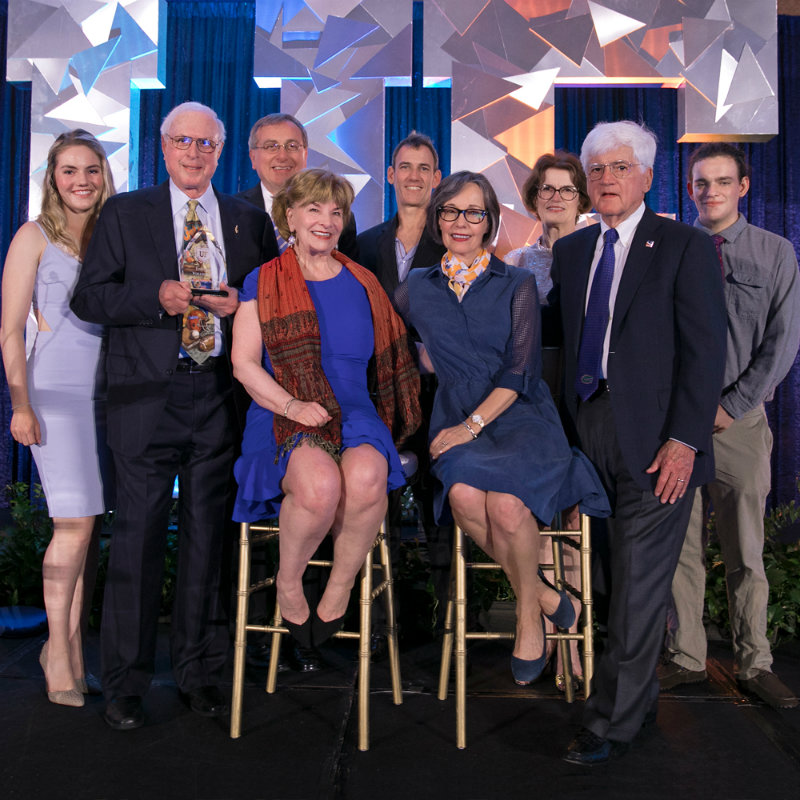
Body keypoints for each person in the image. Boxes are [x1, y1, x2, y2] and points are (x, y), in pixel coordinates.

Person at [70, 101, 273, 730]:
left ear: (220, 153)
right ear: (163, 147)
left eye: (205, 144)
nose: (193, 153)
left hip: (217, 397)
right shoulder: (126, 212)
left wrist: (245, 302)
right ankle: (125, 685)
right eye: (182, 142)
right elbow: (90, 296)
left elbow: (269, 298)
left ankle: (200, 673)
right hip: (143, 400)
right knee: (135, 542)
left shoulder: (246, 218)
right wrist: (153, 298)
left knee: (207, 544)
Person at [550, 121, 728, 765]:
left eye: (620, 168)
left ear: (647, 177)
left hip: (657, 443)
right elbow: (559, 347)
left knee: (636, 587)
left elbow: (708, 351)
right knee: (603, 580)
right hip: (588, 433)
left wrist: (685, 439)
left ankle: (611, 724)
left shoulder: (682, 245)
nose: (606, 179)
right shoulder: (571, 252)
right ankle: (635, 697)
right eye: (596, 169)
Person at [394, 171, 610, 688]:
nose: (461, 222)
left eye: (474, 212)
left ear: (490, 222)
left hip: (518, 416)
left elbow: (518, 371)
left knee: (508, 505)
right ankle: (547, 597)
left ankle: (529, 620)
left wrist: (470, 426)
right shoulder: (412, 290)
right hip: (455, 416)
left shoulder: (518, 282)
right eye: (451, 211)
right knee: (466, 498)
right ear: (437, 219)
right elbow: (402, 352)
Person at [231, 168, 420, 652]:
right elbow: (244, 365)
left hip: (355, 409)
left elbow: (396, 353)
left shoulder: (364, 281)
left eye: (336, 212)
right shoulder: (263, 279)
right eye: (314, 209)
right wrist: (292, 403)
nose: (326, 220)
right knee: (319, 487)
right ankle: (289, 583)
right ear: (289, 215)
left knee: (366, 478)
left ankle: (340, 586)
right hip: (282, 407)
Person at [660, 143, 800, 708]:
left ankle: (754, 662)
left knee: (746, 550)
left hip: (738, 423)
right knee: (681, 548)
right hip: (677, 423)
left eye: (721, 181)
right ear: (688, 188)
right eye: (700, 183)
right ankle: (688, 658)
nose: (710, 191)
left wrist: (732, 404)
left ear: (743, 186)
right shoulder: (670, 249)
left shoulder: (775, 252)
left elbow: (782, 343)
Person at [0, 130, 115, 707]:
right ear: (52, 177)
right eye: (69, 171)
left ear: (104, 174)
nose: (81, 181)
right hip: (56, 396)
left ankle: (65, 648)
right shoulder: (33, 236)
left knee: (88, 528)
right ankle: (59, 657)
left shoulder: (110, 235)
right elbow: (10, 330)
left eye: (91, 170)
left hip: (109, 396)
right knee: (72, 527)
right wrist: (20, 404)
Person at [357, 132, 450, 639]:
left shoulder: (457, 239)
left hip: (440, 398)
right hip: (377, 398)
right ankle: (379, 622)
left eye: (424, 168)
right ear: (390, 175)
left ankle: (448, 622)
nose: (413, 175)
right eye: (404, 166)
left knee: (441, 509)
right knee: (376, 508)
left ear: (437, 179)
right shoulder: (364, 242)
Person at [239, 113, 358, 259]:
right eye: (271, 146)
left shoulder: (336, 215)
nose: (282, 156)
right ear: (253, 158)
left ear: (305, 154)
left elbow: (350, 274)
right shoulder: (231, 212)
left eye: (292, 146)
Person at [504, 151, 592, 346]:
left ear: (580, 201)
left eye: (567, 190)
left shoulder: (595, 258)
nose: (556, 198)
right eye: (547, 189)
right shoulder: (514, 262)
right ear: (535, 199)